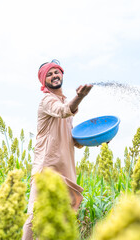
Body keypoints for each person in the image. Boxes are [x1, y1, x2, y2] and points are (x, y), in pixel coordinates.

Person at [22, 60, 93, 240]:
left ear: (62, 75)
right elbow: (63, 111)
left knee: (60, 218)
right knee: (35, 213)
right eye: (49, 74)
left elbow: (73, 138)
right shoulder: (47, 100)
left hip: (65, 169)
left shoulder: (65, 101)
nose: (54, 76)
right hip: (47, 167)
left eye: (57, 72)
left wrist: (96, 139)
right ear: (43, 81)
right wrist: (80, 97)